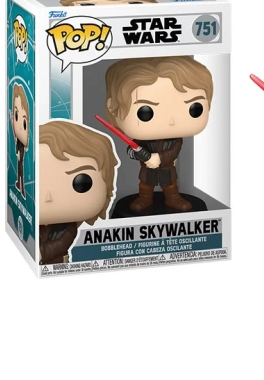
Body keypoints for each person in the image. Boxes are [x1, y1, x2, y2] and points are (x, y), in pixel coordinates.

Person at [105, 56, 213, 213]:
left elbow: (173, 151)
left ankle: (173, 198)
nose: (171, 121)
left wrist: (158, 158)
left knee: (170, 185)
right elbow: (131, 150)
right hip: (147, 169)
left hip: (167, 168)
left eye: (194, 108)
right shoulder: (141, 140)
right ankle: (144, 199)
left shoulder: (175, 140)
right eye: (145, 112)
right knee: (145, 185)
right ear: (113, 109)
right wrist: (138, 154)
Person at [39, 121, 118, 264]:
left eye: (81, 183)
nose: (48, 197)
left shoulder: (67, 228)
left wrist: (40, 252)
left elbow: (60, 245)